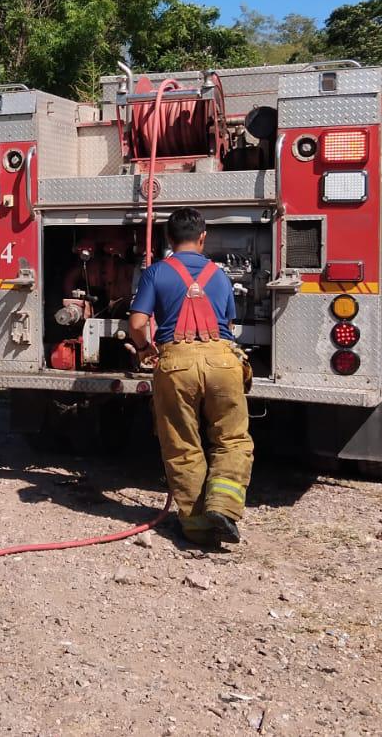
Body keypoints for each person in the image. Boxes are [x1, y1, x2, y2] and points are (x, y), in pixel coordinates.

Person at [125, 207, 252, 547]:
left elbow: (137, 323)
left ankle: (197, 528)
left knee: (182, 444)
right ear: (202, 238)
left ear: (168, 239)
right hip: (223, 362)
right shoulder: (220, 275)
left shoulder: (155, 272)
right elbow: (230, 325)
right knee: (232, 439)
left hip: (175, 364)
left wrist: (144, 350)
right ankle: (223, 507)